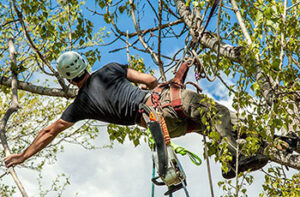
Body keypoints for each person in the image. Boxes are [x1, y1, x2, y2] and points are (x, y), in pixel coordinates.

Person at [4, 51, 267, 179]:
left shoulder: (80, 105)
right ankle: (233, 156)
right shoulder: (109, 69)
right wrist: (145, 87)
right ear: (85, 65)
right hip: (162, 104)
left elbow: (51, 130)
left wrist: (23, 155)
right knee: (218, 112)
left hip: (157, 126)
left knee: (215, 127)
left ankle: (270, 145)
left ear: (70, 80)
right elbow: (151, 79)